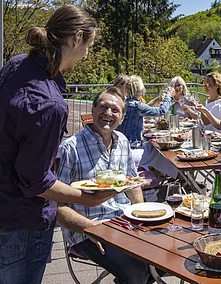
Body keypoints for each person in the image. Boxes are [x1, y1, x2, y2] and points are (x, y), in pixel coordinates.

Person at [0, 6, 118, 283]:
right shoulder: (50, 104)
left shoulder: (16, 64)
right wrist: (88, 197)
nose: (87, 54)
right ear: (76, 38)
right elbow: (35, 182)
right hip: (21, 224)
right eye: (89, 45)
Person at [57, 87, 155, 284]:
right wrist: (90, 228)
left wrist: (142, 216)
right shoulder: (70, 148)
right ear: (93, 110)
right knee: (136, 273)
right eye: (103, 107)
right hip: (88, 229)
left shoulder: (123, 142)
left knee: (163, 260)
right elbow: (56, 207)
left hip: (124, 222)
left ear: (123, 116)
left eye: (115, 110)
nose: (108, 114)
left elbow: (133, 184)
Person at [116, 75, 174, 143]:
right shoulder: (137, 105)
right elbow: (161, 111)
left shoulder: (122, 102)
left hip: (120, 142)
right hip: (132, 145)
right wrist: (169, 97)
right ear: (141, 90)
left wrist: (141, 132)